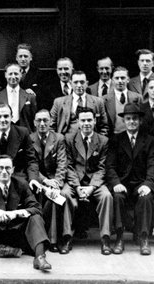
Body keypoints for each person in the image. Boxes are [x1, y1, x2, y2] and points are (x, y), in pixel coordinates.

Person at [0, 155, 52, 271]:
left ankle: (40, 257)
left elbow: (37, 208)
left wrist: (17, 213)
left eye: (7, 168)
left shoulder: (21, 184)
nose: (4, 171)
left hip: (16, 233)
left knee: (36, 217)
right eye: (0, 168)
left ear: (13, 169)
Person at [106, 103, 154, 255]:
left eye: (135, 119)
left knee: (146, 197)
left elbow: (153, 166)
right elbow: (110, 166)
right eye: (128, 118)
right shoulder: (116, 140)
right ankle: (119, 237)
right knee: (117, 197)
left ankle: (143, 238)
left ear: (140, 121)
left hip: (140, 184)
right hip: (123, 184)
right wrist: (116, 183)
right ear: (124, 121)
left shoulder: (149, 141)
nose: (131, 122)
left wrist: (148, 184)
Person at [62, 109, 113, 255]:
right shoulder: (69, 139)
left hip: (94, 182)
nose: (86, 124)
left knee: (106, 196)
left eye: (89, 120)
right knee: (64, 194)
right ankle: (66, 237)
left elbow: (102, 168)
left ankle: (105, 238)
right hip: (75, 182)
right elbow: (68, 165)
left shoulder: (103, 141)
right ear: (78, 122)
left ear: (95, 121)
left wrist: (92, 187)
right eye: (83, 120)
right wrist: (77, 186)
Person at [28, 110, 68, 253]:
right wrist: (45, 181)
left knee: (56, 198)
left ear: (51, 122)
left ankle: (53, 240)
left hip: (54, 179)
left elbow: (62, 163)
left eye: (45, 120)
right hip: (38, 179)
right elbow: (30, 164)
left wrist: (56, 182)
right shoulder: (29, 138)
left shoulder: (59, 138)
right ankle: (37, 237)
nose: (42, 124)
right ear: (34, 122)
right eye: (39, 120)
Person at [50, 70, 108, 136]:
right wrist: (57, 142)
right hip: (65, 142)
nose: (79, 85)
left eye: (82, 82)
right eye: (76, 82)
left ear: (87, 84)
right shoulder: (59, 102)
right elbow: (51, 126)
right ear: (71, 83)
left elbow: (104, 127)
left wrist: (98, 143)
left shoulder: (98, 102)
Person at [0, 63, 37, 133]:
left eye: (16, 74)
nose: (13, 76)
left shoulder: (30, 96)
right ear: (5, 75)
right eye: (10, 74)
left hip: (25, 135)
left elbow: (34, 120)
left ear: (21, 75)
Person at [103, 67, 142, 137]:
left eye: (123, 78)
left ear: (128, 79)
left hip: (133, 137)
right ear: (112, 80)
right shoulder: (104, 100)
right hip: (113, 138)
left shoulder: (137, 97)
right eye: (117, 78)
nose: (120, 81)